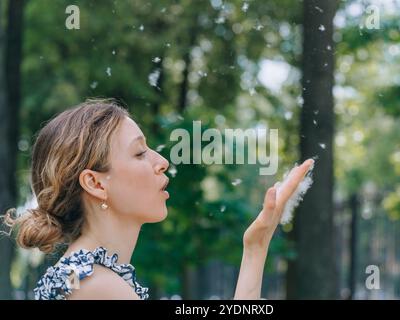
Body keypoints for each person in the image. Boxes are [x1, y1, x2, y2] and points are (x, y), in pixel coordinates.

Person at [3, 98, 314, 300]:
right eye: (139, 152)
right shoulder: (98, 287)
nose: (161, 161)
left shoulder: (82, 276)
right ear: (95, 183)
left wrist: (255, 247)